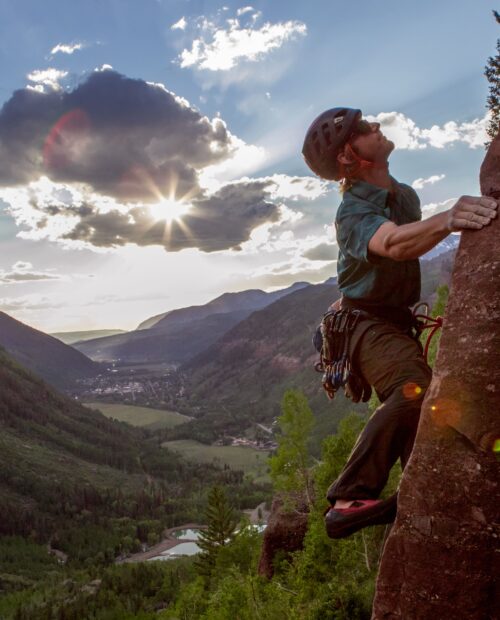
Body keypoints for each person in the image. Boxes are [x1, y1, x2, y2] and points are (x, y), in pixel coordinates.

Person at [302, 107, 498, 538]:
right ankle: (349, 497)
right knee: (415, 390)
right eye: (360, 130)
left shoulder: (404, 196)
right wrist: (449, 219)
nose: (374, 126)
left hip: (393, 321)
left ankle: (419, 487)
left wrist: (452, 226)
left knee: (428, 405)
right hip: (362, 323)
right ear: (348, 157)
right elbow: (390, 243)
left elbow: (413, 243)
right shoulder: (352, 213)